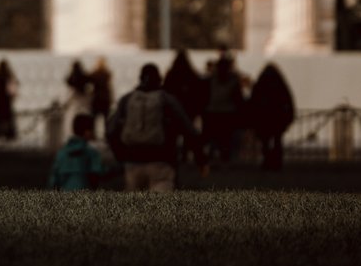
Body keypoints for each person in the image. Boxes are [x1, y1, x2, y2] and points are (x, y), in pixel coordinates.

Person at [107, 63, 204, 192]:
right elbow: (187, 128)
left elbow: (111, 130)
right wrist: (200, 158)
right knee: (159, 208)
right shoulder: (167, 99)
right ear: (159, 79)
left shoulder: (127, 99)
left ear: (140, 78)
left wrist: (121, 156)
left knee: (134, 208)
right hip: (161, 161)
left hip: (132, 162)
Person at [248, 63, 296, 171]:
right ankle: (276, 163)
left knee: (266, 143)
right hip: (276, 118)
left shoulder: (261, 84)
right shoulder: (279, 85)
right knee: (277, 141)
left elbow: (253, 101)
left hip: (264, 118)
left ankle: (267, 162)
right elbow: (288, 101)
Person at [202, 46, 245, 165]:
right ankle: (224, 159)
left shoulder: (211, 80)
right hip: (227, 114)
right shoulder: (233, 80)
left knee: (214, 140)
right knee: (225, 141)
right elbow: (238, 99)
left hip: (213, 113)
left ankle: (213, 159)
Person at [47, 113, 108, 191]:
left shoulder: (61, 154)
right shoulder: (91, 153)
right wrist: (119, 168)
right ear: (87, 132)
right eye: (93, 129)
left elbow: (53, 182)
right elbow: (100, 173)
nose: (94, 132)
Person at [0, 58, 20, 141]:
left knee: (0, 117)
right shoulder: (9, 75)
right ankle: (8, 133)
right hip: (6, 99)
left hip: (0, 99)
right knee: (7, 117)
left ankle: (0, 132)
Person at [88, 57, 114, 140]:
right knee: (106, 121)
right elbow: (110, 87)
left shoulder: (94, 73)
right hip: (105, 99)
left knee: (93, 120)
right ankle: (107, 136)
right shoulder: (107, 73)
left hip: (96, 99)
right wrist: (112, 98)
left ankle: (93, 136)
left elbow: (89, 84)